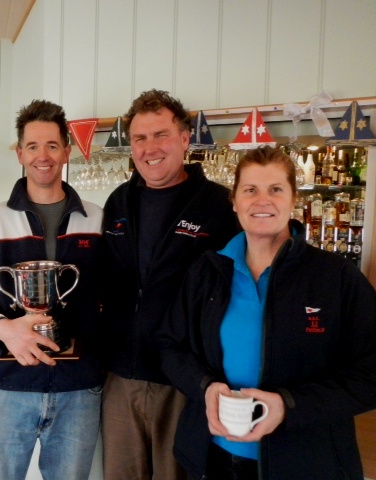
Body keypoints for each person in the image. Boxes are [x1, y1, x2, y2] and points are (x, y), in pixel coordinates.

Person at [158, 146, 376, 480]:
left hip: (306, 463)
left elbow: (370, 375)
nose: (263, 200)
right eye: (250, 190)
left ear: (294, 200)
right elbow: (169, 345)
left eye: (275, 189)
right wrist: (204, 387)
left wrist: (288, 406)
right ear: (234, 201)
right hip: (212, 457)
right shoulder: (208, 270)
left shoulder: (335, 278)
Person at [0, 99, 104, 480]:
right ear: (20, 153)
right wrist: (5, 329)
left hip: (79, 389)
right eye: (34, 146)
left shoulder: (98, 219)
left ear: (67, 152)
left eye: (53, 145)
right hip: (9, 386)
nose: (44, 156)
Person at [100, 89, 240, 479]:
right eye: (140, 138)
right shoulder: (117, 203)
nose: (150, 148)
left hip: (185, 382)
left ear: (184, 139)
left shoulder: (220, 206)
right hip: (120, 378)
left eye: (160, 135)